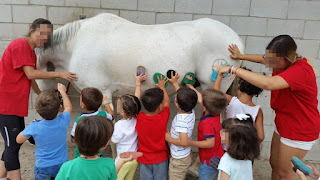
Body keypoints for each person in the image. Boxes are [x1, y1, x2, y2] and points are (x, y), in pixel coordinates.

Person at [214, 35, 320, 179]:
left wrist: (232, 69)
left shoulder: (300, 71)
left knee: (285, 172)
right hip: (284, 122)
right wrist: (241, 56)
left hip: (299, 129)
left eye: (272, 60)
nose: (268, 62)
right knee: (274, 164)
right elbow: (263, 58)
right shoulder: (283, 62)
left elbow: (268, 84)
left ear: (286, 59)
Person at [0, 18, 77, 180]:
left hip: (15, 105)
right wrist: (60, 74)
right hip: (6, 105)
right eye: (41, 33)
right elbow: (31, 74)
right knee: (13, 145)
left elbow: (29, 78)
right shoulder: (21, 45)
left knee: (13, 144)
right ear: (32, 30)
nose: (44, 37)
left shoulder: (31, 52)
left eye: (48, 35)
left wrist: (41, 93)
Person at [16, 83, 72, 180]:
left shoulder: (34, 126)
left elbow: (18, 140)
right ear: (60, 107)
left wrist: (29, 128)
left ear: (37, 111)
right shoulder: (63, 120)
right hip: (62, 164)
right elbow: (68, 107)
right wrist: (63, 92)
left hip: (43, 167)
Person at [55, 115, 131, 180]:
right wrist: (121, 161)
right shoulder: (109, 164)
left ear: (77, 139)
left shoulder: (67, 167)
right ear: (104, 145)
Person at [187, 86, 228, 180]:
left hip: (208, 161)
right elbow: (202, 99)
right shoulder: (217, 112)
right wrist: (190, 86)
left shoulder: (207, 123)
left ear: (204, 107)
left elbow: (210, 143)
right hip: (219, 155)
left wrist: (191, 142)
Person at [213, 68, 264, 142]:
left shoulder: (232, 101)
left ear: (239, 86)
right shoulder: (258, 110)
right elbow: (261, 137)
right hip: (245, 149)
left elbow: (215, 93)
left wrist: (220, 75)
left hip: (228, 145)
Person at [111, 73, 146, 180]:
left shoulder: (119, 125)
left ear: (122, 112)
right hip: (134, 160)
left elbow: (113, 141)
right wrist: (138, 83)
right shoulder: (137, 118)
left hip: (122, 160)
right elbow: (136, 100)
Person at [135, 76, 170, 180]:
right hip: (161, 159)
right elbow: (167, 102)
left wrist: (138, 83)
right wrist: (162, 87)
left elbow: (135, 101)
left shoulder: (139, 117)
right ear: (160, 107)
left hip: (144, 158)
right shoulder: (163, 117)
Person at [164, 72, 198, 180]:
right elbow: (183, 97)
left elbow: (183, 142)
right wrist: (175, 83)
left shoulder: (181, 121)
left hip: (179, 159)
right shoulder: (191, 111)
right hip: (185, 154)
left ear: (176, 104)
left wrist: (169, 138)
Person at [70, 87, 114, 159]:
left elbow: (73, 139)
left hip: (81, 155)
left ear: (82, 105)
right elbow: (112, 116)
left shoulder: (79, 120)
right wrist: (106, 103)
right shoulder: (103, 115)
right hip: (97, 153)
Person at [218, 114, 260, 180]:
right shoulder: (248, 157)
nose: (220, 132)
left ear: (233, 138)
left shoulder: (226, 160)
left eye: (223, 132)